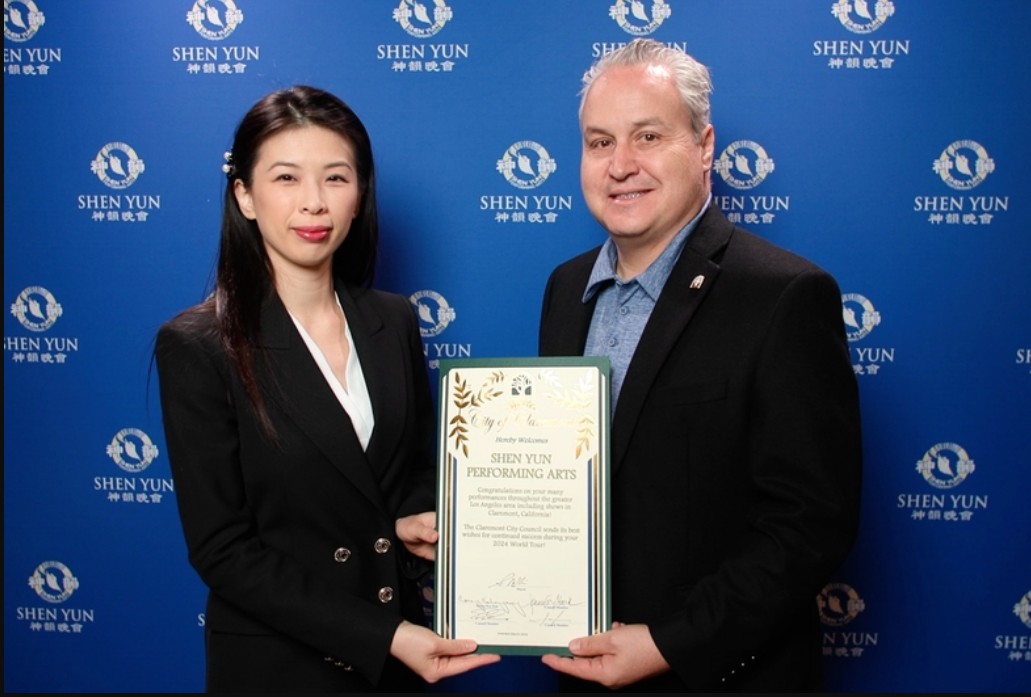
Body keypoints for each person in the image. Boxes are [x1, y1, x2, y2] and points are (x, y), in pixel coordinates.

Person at [537, 39, 863, 692]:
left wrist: (670, 642)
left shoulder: (783, 294)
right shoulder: (565, 288)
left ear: (704, 146)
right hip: (577, 667)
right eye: (600, 143)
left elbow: (808, 523)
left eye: (648, 136)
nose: (620, 165)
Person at [154, 85, 499, 692]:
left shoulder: (393, 319)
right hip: (282, 669)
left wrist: (413, 520)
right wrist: (385, 636)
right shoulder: (199, 344)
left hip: (396, 663)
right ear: (245, 195)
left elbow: (411, 470)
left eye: (336, 178)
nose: (314, 202)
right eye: (286, 178)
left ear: (359, 194)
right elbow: (222, 550)